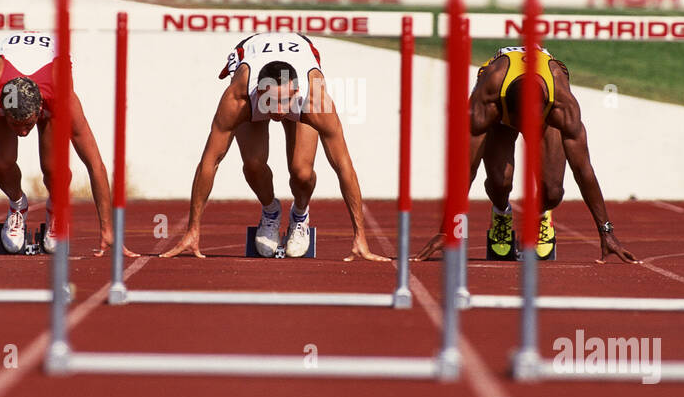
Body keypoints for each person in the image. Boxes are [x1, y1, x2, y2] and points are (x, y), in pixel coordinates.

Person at [161, 31, 388, 261]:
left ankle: (299, 215)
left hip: (298, 67)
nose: (280, 111)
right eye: (272, 102)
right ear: (259, 92)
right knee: (252, 164)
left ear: (296, 92)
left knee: (301, 171)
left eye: (285, 101)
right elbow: (210, 162)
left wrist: (360, 236)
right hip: (252, 62)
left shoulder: (314, 99)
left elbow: (343, 166)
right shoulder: (238, 98)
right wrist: (192, 230)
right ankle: (271, 211)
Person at [0, 30, 131, 257]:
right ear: (2, 110)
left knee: (53, 168)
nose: (23, 132)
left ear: (39, 110)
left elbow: (95, 165)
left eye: (28, 124)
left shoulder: (60, 97)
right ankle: (18, 205)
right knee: (2, 162)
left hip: (49, 81)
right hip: (4, 76)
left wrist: (108, 229)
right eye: (15, 124)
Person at [415, 44, 637, 263]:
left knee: (552, 193)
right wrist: (446, 230)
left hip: (540, 102)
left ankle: (540, 215)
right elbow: (467, 167)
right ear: (507, 112)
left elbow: (583, 169)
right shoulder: (487, 101)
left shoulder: (562, 105)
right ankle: (501, 214)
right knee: (500, 183)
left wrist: (606, 231)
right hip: (500, 102)